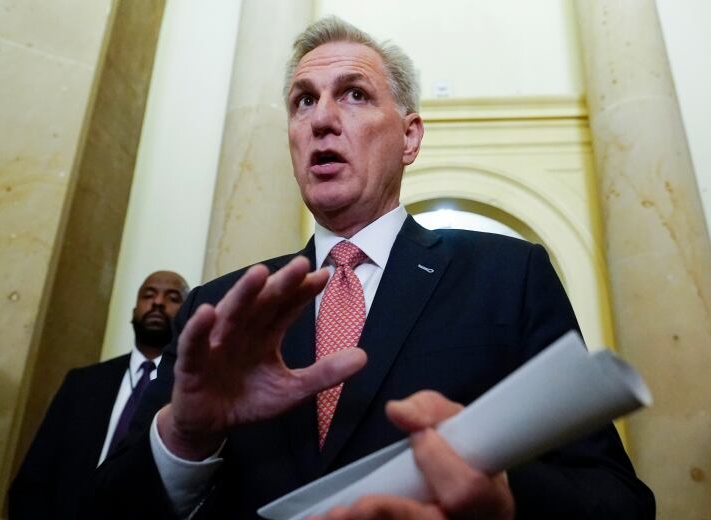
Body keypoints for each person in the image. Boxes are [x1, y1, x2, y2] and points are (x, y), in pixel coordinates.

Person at [87, 17, 654, 519]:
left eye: (354, 94)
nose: (322, 120)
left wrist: (501, 495)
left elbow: (617, 499)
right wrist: (187, 436)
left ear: (409, 137)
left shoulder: (507, 277)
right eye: (303, 101)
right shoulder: (221, 308)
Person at [9, 271, 189, 519]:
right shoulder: (82, 382)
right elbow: (34, 475)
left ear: (186, 317)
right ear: (134, 310)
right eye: (148, 295)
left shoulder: (189, 391)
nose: (158, 302)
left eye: (173, 297)